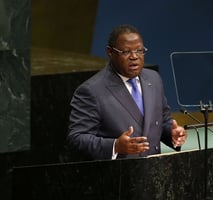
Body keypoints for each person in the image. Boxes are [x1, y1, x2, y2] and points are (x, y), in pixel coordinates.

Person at [67, 24, 187, 160]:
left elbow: (161, 121)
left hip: (154, 172)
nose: (134, 56)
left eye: (140, 50)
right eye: (126, 52)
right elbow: (76, 138)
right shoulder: (91, 91)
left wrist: (172, 133)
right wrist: (115, 146)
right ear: (110, 53)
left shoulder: (153, 79)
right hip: (119, 175)